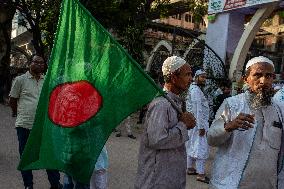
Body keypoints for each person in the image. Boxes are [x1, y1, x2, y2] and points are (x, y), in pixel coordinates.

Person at [208, 56, 284, 189]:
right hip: (229, 183)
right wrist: (228, 127)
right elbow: (211, 139)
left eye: (269, 76)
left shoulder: (278, 110)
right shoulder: (232, 104)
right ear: (246, 79)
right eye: (258, 75)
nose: (263, 81)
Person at [135, 56, 196, 189]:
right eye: (187, 74)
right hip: (156, 181)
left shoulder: (174, 102)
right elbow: (157, 140)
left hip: (170, 176)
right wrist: (183, 125)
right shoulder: (161, 104)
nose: (191, 79)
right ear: (173, 77)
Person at [9, 55, 62, 189]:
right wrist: (17, 113)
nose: (39, 65)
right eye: (36, 62)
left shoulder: (48, 81)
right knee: (26, 156)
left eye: (42, 63)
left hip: (44, 126)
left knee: (49, 155)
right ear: (29, 63)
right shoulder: (20, 80)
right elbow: (13, 99)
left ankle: (55, 184)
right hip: (25, 125)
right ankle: (28, 185)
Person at [185, 69, 210, 184]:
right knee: (201, 148)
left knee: (192, 145)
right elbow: (198, 110)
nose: (204, 79)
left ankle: (189, 168)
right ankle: (200, 174)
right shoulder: (195, 90)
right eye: (202, 77)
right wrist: (201, 126)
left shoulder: (195, 89)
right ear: (196, 77)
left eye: (205, 77)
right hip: (198, 124)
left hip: (195, 123)